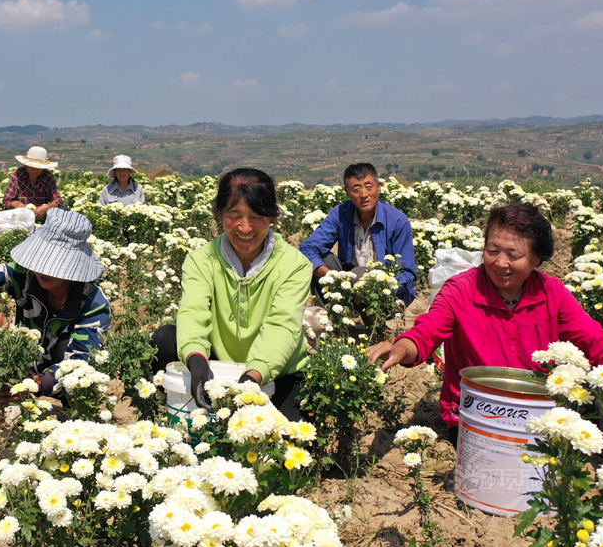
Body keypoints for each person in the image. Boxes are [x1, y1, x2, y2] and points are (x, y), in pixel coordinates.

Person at [365, 202, 603, 439]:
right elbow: (427, 331)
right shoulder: (461, 290)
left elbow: (595, 341)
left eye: (514, 255)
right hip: (477, 412)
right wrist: (400, 348)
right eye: (493, 250)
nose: (501, 263)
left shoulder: (551, 293)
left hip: (539, 409)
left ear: (536, 259)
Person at [152, 168, 313, 419]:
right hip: (217, 363)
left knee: (284, 447)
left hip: (277, 372)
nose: (245, 227)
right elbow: (193, 312)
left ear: (272, 218)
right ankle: (170, 407)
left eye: (257, 216)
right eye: (234, 215)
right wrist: (196, 360)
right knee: (165, 339)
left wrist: (253, 377)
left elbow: (282, 326)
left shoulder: (294, 265)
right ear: (220, 215)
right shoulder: (201, 260)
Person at [0, 208, 110, 395]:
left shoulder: (93, 303)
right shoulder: (24, 276)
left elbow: (81, 360)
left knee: (70, 362)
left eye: (56, 263)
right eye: (41, 259)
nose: (43, 269)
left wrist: (31, 386)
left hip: (60, 379)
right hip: (23, 363)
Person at [299, 163, 418, 307]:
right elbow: (307, 248)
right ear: (347, 192)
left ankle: (375, 326)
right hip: (349, 283)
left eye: (369, 187)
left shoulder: (397, 220)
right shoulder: (340, 214)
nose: (364, 195)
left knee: (361, 273)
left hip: (385, 291)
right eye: (356, 189)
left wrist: (380, 288)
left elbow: (408, 274)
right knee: (317, 260)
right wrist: (333, 278)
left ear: (379, 187)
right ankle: (332, 319)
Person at [3, 146, 63, 221]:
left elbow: (58, 201)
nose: (34, 170)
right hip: (19, 218)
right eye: (32, 166)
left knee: (64, 210)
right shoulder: (17, 176)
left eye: (38, 168)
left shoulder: (48, 177)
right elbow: (6, 203)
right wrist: (14, 204)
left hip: (41, 217)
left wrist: (46, 207)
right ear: (27, 164)